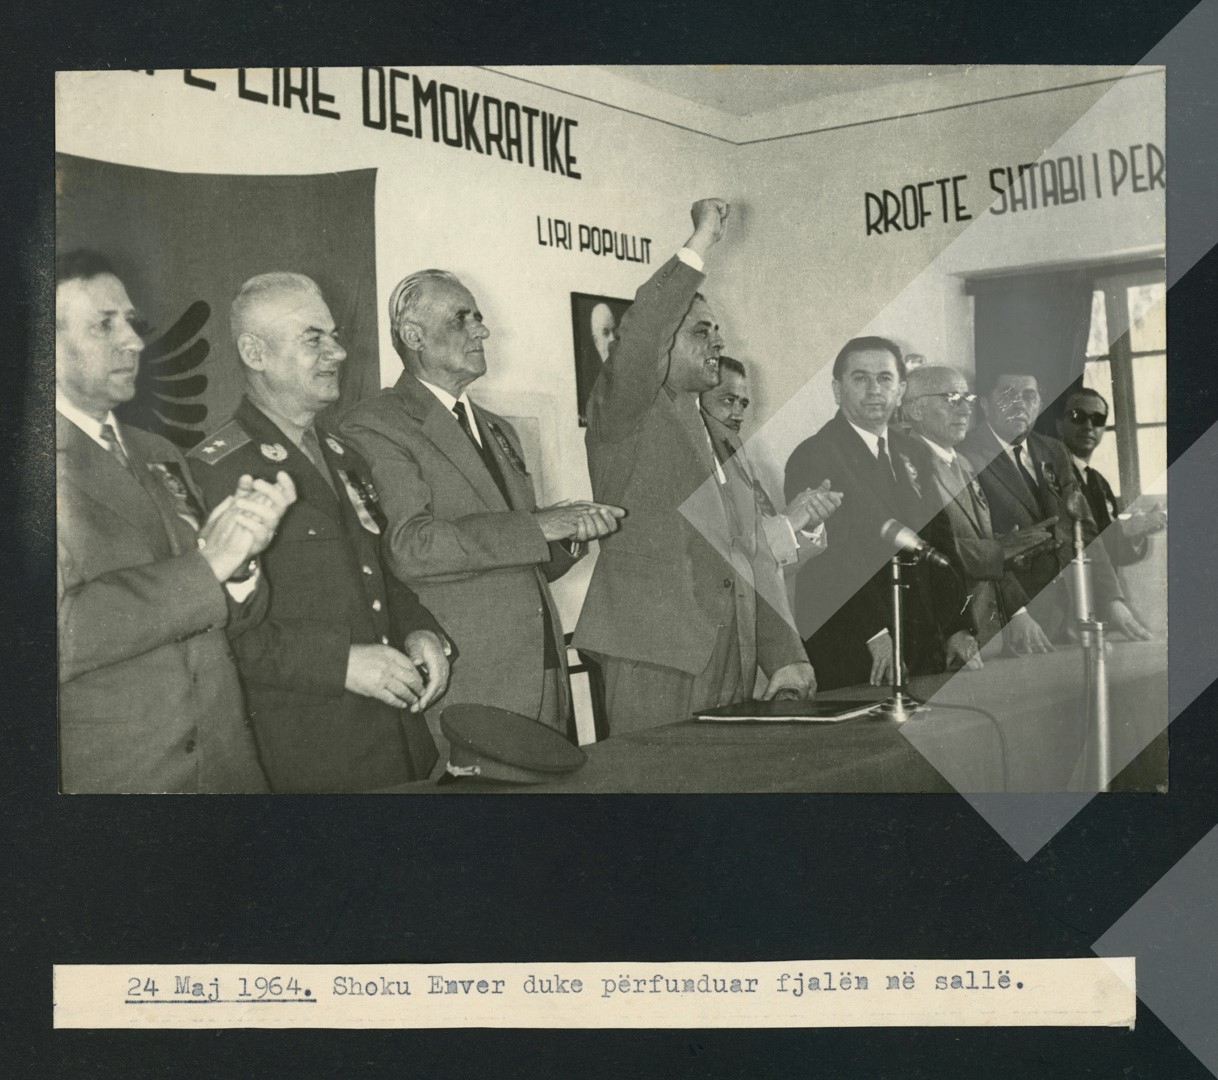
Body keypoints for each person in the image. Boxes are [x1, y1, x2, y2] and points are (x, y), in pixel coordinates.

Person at [339, 269, 624, 760]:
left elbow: (519, 555)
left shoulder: (498, 430)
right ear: (414, 336)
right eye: (462, 319)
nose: (482, 330)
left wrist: (571, 534)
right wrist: (538, 525)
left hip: (543, 671)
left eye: (479, 317)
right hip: (470, 679)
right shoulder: (376, 425)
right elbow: (410, 546)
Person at [189, 273, 452, 793]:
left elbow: (376, 572)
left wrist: (419, 629)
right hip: (305, 754)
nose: (338, 352)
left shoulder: (343, 456)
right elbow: (213, 632)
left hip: (394, 741)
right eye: (314, 339)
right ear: (255, 353)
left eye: (334, 335)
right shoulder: (214, 472)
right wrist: (341, 663)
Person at [56, 250, 295, 793]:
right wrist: (208, 566)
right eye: (103, 324)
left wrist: (240, 564)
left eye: (131, 322)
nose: (134, 341)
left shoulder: (159, 452)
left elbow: (225, 615)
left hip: (227, 768)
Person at [575, 199, 817, 735]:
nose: (718, 343)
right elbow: (641, 336)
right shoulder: (626, 413)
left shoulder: (724, 439)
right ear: (663, 346)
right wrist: (702, 239)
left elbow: (753, 554)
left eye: (717, 332)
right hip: (658, 656)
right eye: (701, 332)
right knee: (660, 787)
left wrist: (784, 655)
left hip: (733, 651)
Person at [784, 338, 980, 691]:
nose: (875, 389)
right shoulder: (815, 454)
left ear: (901, 390)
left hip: (919, 637)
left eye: (885, 379)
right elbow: (831, 557)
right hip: (856, 642)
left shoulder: (913, 452)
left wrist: (957, 626)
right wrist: (873, 632)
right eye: (860, 378)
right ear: (837, 389)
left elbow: (939, 539)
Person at [959, 372, 1151, 641]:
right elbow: (976, 548)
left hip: (1068, 613)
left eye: (1029, 396)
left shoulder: (1053, 450)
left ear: (1039, 404)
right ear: (985, 404)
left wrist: (1112, 600)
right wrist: (1016, 613)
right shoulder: (965, 454)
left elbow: (1083, 527)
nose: (1019, 403)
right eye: (1007, 395)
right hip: (1011, 619)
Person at [902, 365, 1055, 652]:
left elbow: (984, 542)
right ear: (916, 410)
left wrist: (1016, 610)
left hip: (987, 632)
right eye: (951, 399)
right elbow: (924, 549)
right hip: (946, 635)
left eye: (966, 399)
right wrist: (998, 550)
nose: (964, 410)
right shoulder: (904, 466)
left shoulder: (964, 463)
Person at [699, 354, 838, 570]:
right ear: (697, 402)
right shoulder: (690, 470)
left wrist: (808, 524)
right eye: (728, 400)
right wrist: (788, 522)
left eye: (743, 404)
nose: (739, 415)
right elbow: (722, 567)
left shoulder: (748, 470)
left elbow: (773, 570)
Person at [1055, 386, 1165, 568]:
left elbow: (1114, 553)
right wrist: (1126, 528)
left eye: (1097, 419)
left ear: (1103, 429)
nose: (1088, 426)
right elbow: (1063, 544)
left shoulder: (1098, 481)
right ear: (1059, 425)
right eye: (1078, 416)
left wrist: (1138, 531)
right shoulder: (1051, 475)